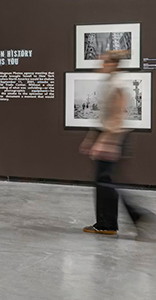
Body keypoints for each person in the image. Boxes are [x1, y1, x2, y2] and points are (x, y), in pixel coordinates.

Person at [80, 50, 155, 241]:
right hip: (107, 135)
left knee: (108, 183)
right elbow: (103, 116)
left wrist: (104, 142)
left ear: (113, 65)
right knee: (105, 183)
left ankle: (137, 218)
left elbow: (116, 118)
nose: (100, 66)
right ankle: (107, 224)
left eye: (103, 63)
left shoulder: (118, 85)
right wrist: (91, 139)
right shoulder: (110, 83)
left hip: (113, 138)